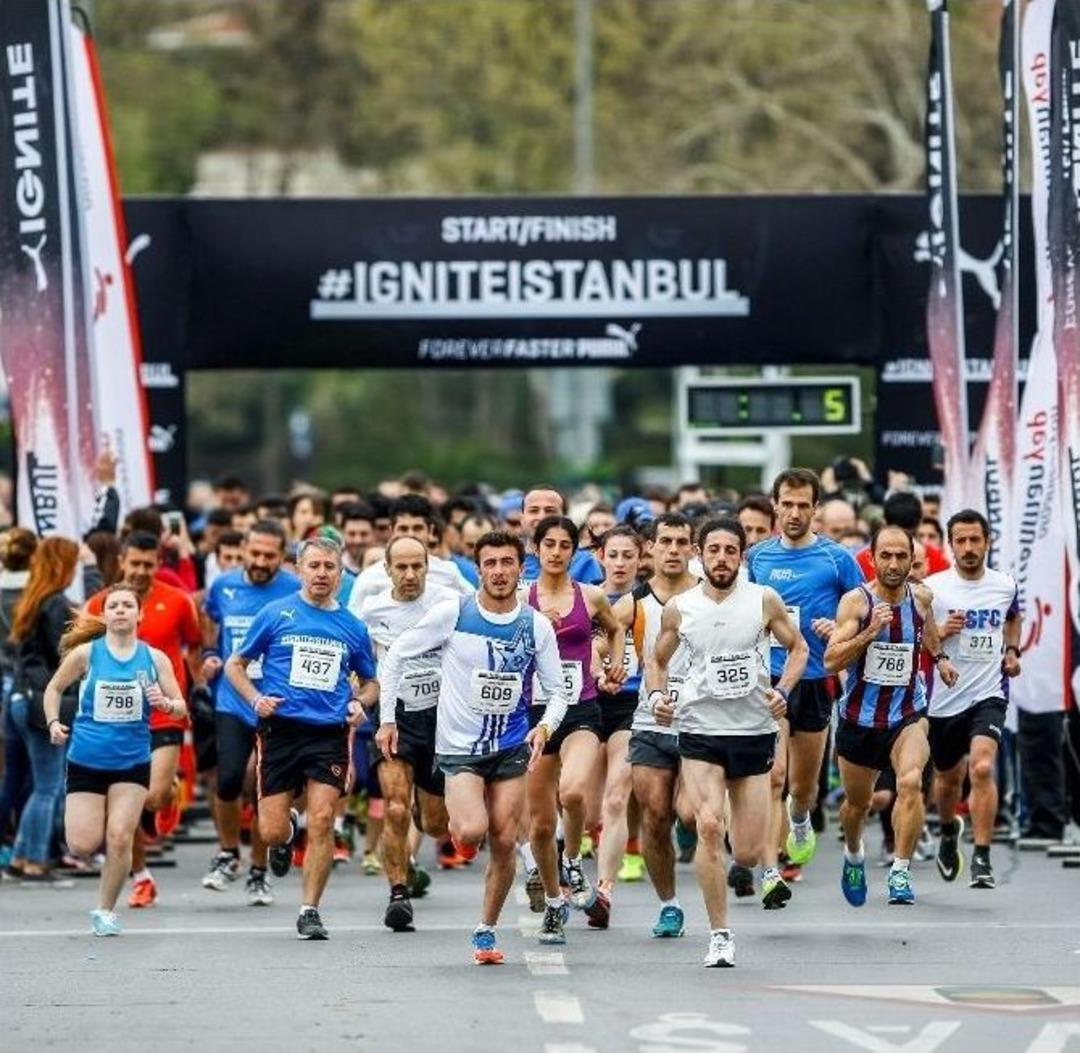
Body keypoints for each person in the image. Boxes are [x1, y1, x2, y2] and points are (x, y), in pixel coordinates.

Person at [377, 530, 568, 965]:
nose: (499, 571)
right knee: (469, 831)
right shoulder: (455, 612)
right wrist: (388, 719)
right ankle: (463, 837)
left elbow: (558, 691)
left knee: (504, 838)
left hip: (511, 744)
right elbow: (397, 655)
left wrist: (545, 728)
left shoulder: (535, 625)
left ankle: (485, 930)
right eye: (490, 563)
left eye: (507, 562)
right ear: (478, 569)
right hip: (460, 747)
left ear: (521, 569)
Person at [647, 518, 807, 967]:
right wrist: (658, 697)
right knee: (709, 826)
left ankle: (749, 844)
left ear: (741, 555)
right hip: (700, 728)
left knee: (749, 851)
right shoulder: (680, 607)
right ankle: (719, 935)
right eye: (713, 550)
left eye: (730, 551)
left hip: (753, 730)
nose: (721, 559)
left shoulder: (763, 599)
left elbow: (798, 649)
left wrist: (784, 689)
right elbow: (657, 661)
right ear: (700, 554)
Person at [225, 537, 378, 940]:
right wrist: (256, 699)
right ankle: (286, 832)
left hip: (328, 732)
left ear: (341, 574)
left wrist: (360, 702)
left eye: (330, 567)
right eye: (314, 566)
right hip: (281, 730)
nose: (322, 574)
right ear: (299, 570)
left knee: (323, 818)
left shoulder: (352, 627)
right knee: (271, 832)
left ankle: (310, 910)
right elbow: (235, 665)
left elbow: (372, 682)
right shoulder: (276, 613)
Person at [746, 469, 864, 904]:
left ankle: (799, 819)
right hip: (770, 680)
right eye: (787, 504)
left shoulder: (837, 559)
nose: (794, 513)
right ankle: (770, 870)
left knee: (802, 788)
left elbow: (862, 611)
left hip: (815, 681)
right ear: (775, 505)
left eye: (803, 505)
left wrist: (840, 629)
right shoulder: (757, 558)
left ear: (816, 509)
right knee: (773, 776)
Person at [825, 525, 957, 907]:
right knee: (857, 806)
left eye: (902, 556)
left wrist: (940, 658)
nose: (894, 564)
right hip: (860, 719)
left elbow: (926, 629)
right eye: (886, 556)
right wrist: (871, 632)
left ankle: (901, 869)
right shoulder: (856, 602)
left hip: (907, 713)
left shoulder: (921, 597)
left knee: (911, 781)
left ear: (912, 559)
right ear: (872, 558)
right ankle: (854, 856)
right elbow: (832, 659)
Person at [43, 585, 186, 935]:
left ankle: (105, 911)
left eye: (127, 605)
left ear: (140, 615)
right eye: (114, 606)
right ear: (104, 615)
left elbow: (181, 706)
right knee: (82, 845)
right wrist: (53, 722)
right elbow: (54, 688)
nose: (120, 610)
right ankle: (104, 813)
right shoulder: (86, 654)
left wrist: (166, 705)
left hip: (131, 762)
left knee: (120, 837)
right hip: (86, 759)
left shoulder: (155, 659)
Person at [85, 531, 202, 909]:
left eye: (147, 565)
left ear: (158, 564)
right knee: (125, 801)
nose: (139, 571)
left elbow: (195, 643)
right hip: (116, 718)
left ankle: (169, 791)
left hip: (162, 713)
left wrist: (193, 685)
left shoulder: (178, 601)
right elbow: (80, 649)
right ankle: (141, 876)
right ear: (122, 561)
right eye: (133, 563)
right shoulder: (101, 604)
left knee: (153, 796)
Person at [523, 516, 625, 942]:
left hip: (580, 708)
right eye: (549, 544)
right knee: (541, 825)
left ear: (574, 551)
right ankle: (553, 902)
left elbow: (616, 629)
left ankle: (573, 860)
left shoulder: (591, 595)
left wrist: (615, 664)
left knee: (574, 792)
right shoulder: (521, 598)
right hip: (533, 714)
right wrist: (534, 626)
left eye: (565, 545)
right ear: (536, 548)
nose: (556, 552)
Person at [201, 521, 299, 905]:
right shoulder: (223, 585)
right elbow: (210, 620)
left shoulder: (294, 589)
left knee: (263, 788)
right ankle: (228, 853)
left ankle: (259, 871)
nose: (260, 561)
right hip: (232, 700)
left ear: (281, 556)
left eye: (269, 556)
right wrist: (211, 653)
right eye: (254, 553)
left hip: (275, 705)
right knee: (227, 781)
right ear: (243, 549)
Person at [361, 536, 456, 932]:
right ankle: (398, 895)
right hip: (393, 717)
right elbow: (358, 659)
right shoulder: (371, 609)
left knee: (435, 824)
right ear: (387, 570)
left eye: (417, 565)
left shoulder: (448, 602)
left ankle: (418, 825)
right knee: (395, 807)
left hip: (439, 718)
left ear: (428, 566)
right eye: (401, 567)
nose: (410, 574)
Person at [925, 510, 1021, 890]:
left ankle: (982, 856)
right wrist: (941, 635)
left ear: (987, 542)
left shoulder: (1005, 585)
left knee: (981, 768)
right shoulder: (932, 588)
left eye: (975, 540)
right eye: (961, 541)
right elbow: (920, 636)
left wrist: (1011, 651)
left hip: (988, 692)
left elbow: (1013, 618)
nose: (968, 548)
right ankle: (949, 831)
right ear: (950, 544)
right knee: (948, 779)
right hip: (945, 697)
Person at [627, 513, 699, 938]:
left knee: (689, 814)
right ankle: (669, 905)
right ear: (650, 548)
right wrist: (604, 662)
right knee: (655, 815)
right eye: (665, 541)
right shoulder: (634, 601)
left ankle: (692, 832)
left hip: (701, 722)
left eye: (681, 542)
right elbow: (604, 636)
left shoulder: (710, 596)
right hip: (649, 720)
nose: (673, 550)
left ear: (693, 549)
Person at [6, 538, 82, 882]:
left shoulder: (33, 599)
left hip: (20, 697)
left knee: (39, 784)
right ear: (62, 565)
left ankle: (22, 856)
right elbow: (65, 656)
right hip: (42, 701)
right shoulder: (56, 604)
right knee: (49, 786)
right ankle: (35, 860)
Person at [592, 525, 647, 925]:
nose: (621, 563)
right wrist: (597, 667)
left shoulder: (650, 601)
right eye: (613, 555)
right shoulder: (586, 599)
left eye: (629, 555)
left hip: (631, 704)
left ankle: (603, 891)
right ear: (601, 557)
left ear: (641, 559)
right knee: (584, 806)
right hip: (590, 703)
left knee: (616, 798)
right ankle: (570, 862)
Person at [348, 496, 474, 607]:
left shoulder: (448, 573)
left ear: (430, 531)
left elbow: (473, 609)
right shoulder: (370, 579)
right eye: (403, 529)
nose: (410, 535)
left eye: (417, 528)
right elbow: (355, 620)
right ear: (392, 531)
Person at [0, 528, 37, 863]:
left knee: (11, 770)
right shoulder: (36, 593)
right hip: (24, 681)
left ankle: (8, 842)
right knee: (34, 772)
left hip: (6, 678)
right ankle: (26, 847)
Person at [519, 487, 603, 585]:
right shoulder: (509, 559)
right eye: (534, 511)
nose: (541, 517)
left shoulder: (584, 562)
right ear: (522, 519)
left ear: (565, 518)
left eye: (550, 511)